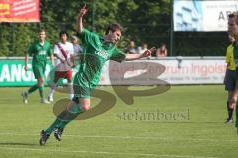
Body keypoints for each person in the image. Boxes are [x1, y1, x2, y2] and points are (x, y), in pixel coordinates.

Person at [39, 4, 156, 145]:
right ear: (110, 32)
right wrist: (80, 17)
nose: (118, 38)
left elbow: (125, 56)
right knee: (85, 107)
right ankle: (60, 126)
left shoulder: (111, 49)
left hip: (91, 82)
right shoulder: (93, 38)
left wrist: (142, 55)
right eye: (117, 34)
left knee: (69, 110)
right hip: (82, 79)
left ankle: (47, 131)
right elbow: (80, 30)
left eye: (120, 36)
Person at [22, 29, 54, 104]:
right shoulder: (34, 45)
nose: (41, 36)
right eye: (40, 34)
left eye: (43, 34)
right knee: (42, 80)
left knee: (40, 83)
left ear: (45, 36)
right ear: (38, 35)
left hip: (43, 65)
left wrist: (52, 62)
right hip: (36, 65)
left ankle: (26, 93)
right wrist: (26, 65)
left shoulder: (47, 44)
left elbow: (51, 54)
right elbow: (27, 54)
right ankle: (42, 99)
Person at [47, 31, 76, 102]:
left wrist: (74, 62)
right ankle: (50, 95)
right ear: (60, 37)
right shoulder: (58, 45)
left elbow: (72, 55)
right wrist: (61, 59)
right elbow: (55, 54)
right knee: (55, 81)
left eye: (65, 36)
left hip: (68, 66)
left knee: (70, 80)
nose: (63, 37)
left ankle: (72, 97)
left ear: (67, 37)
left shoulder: (70, 45)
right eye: (62, 36)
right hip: (59, 66)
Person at [228, 12, 238, 130]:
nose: (228, 28)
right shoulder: (234, 47)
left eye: (232, 25)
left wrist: (235, 95)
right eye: (228, 24)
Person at [224, 33, 235, 123]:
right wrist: (226, 76)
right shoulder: (229, 48)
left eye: (231, 35)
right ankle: (230, 118)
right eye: (229, 36)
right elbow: (228, 63)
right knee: (230, 97)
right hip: (231, 73)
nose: (230, 37)